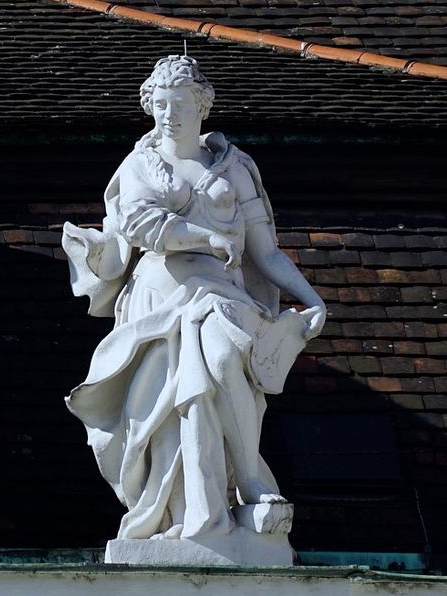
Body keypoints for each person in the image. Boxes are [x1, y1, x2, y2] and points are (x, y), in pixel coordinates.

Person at [61, 55, 326, 545]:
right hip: (161, 299)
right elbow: (141, 226)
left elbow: (265, 252)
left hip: (223, 295)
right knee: (175, 412)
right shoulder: (140, 164)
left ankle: (247, 481)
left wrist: (311, 299)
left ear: (201, 107)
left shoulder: (235, 166)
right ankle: (185, 512)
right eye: (160, 104)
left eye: (179, 104)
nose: (168, 115)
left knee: (225, 361)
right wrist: (207, 239)